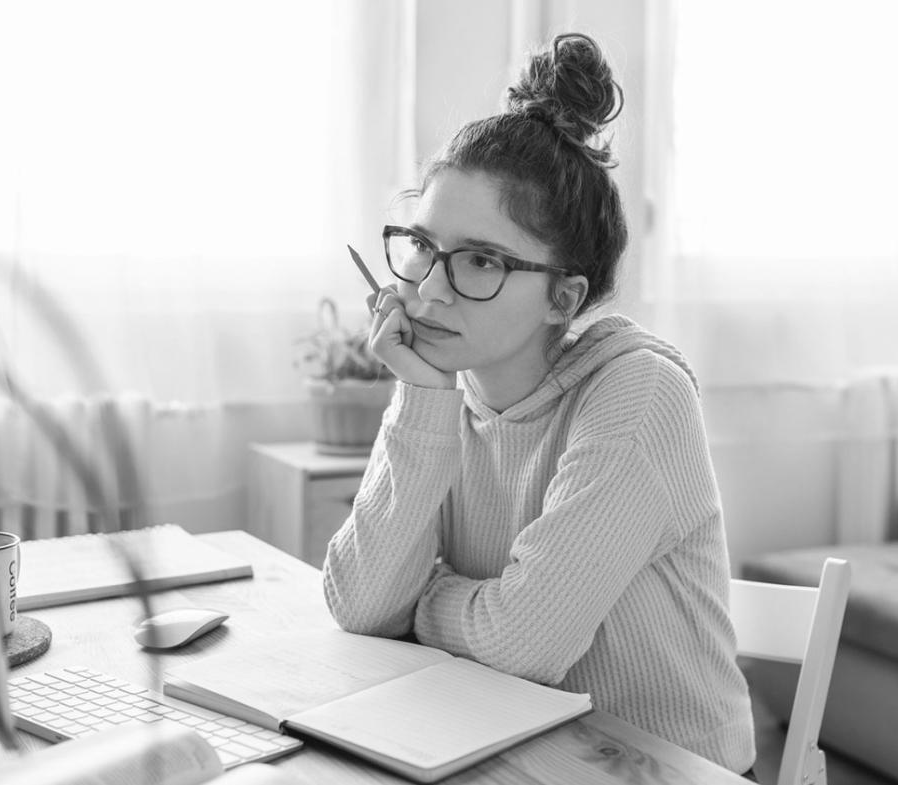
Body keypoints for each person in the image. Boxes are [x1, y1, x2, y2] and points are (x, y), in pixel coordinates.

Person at [321, 32, 755, 776]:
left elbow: (526, 645)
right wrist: (420, 396)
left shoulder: (637, 392)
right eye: (422, 246)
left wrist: (423, 603)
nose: (428, 290)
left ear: (564, 296)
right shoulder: (444, 385)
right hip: (505, 751)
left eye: (481, 260)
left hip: (661, 769)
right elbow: (358, 606)